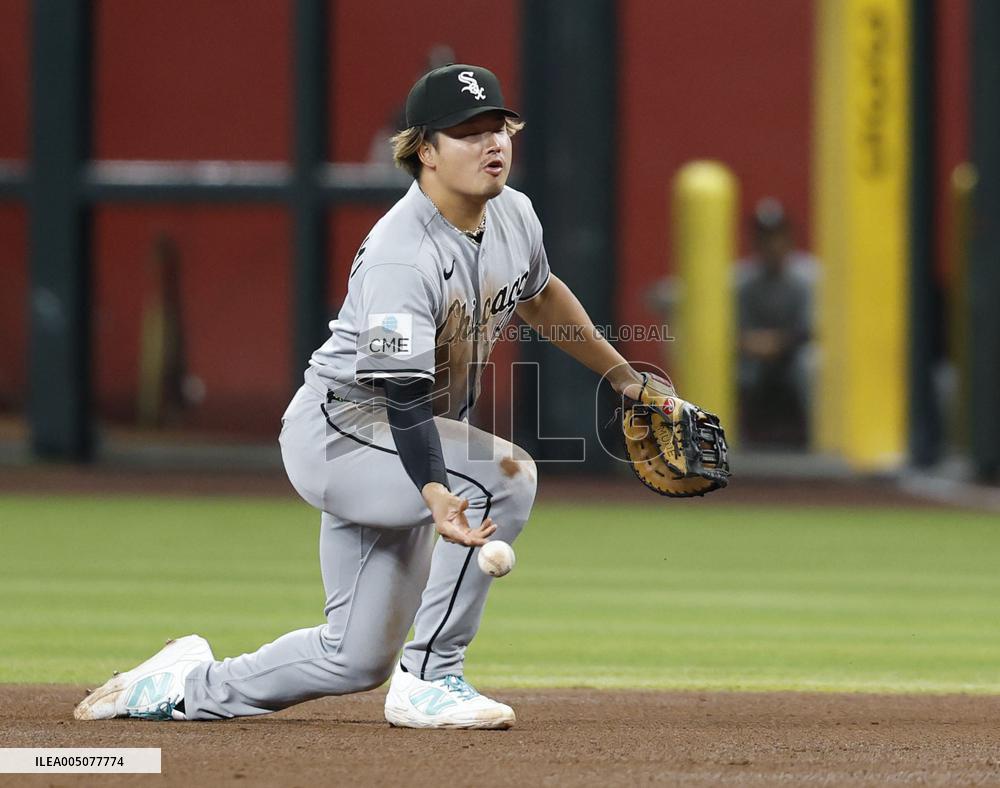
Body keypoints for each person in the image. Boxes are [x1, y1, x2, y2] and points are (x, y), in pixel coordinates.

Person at [74, 63, 650, 730]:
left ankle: (180, 686)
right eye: (468, 132)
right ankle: (431, 676)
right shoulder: (400, 256)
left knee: (353, 657)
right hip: (343, 432)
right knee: (506, 475)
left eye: (498, 127)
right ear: (425, 150)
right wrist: (434, 489)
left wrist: (625, 379)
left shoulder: (514, 214)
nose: (492, 143)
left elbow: (541, 296)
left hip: (403, 439)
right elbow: (401, 397)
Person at [736, 199, 817, 447]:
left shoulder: (808, 276)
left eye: (777, 237)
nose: (772, 244)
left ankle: (820, 440)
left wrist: (777, 343)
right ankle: (729, 439)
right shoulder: (744, 279)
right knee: (736, 367)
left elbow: (812, 330)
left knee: (811, 363)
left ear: (789, 239)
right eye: (765, 238)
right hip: (754, 357)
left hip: (796, 353)